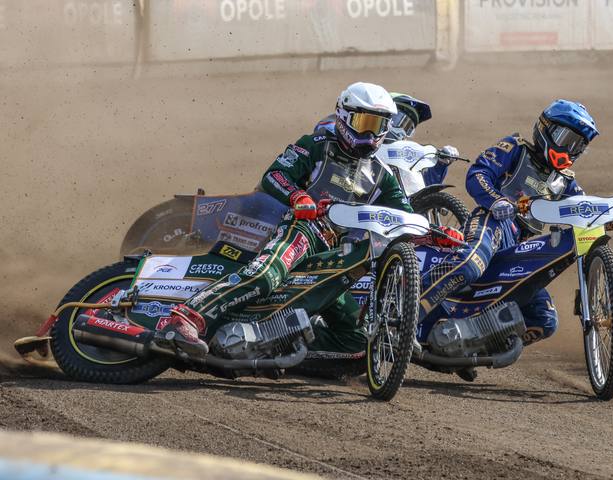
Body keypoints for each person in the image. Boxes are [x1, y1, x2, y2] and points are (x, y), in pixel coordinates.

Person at [158, 82, 459, 358]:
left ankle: (277, 344)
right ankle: (186, 318)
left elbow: (404, 216)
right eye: (363, 123)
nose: (370, 134)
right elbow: (275, 175)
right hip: (301, 230)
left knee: (357, 340)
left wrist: (433, 233)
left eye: (378, 125)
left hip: (336, 256)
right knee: (266, 274)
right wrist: (298, 197)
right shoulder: (316, 145)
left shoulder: (382, 174)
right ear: (344, 116)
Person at [417, 100, 609, 380]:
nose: (571, 150)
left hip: (521, 246)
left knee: (544, 320)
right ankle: (409, 311)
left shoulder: (565, 181)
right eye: (566, 139)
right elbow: (478, 173)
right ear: (546, 129)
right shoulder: (515, 148)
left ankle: (467, 346)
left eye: (578, 145)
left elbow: (583, 209)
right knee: (470, 264)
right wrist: (496, 201)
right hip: (492, 221)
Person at [315, 92, 459, 187]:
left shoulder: (403, 156)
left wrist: (440, 165)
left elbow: (421, 191)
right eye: (399, 121)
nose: (401, 130)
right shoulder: (358, 137)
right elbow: (326, 127)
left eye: (407, 126)